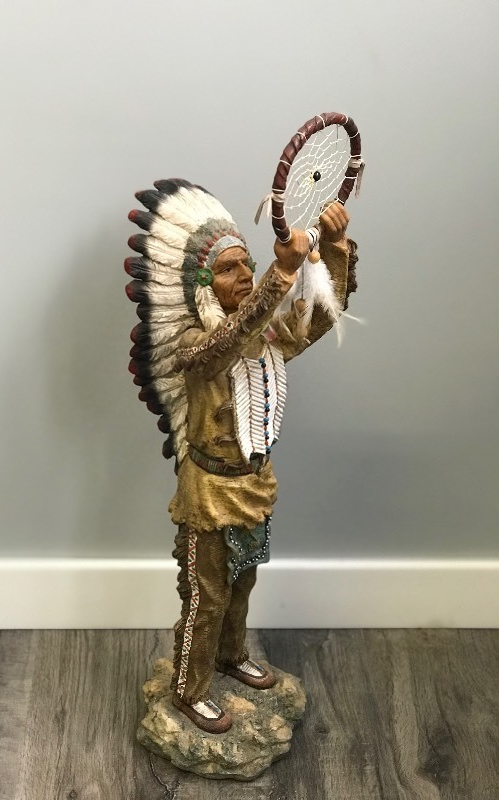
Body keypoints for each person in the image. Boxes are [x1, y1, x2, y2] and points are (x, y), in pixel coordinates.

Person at [126, 180, 357, 734]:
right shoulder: (195, 344)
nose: (245, 275)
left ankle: (231, 655)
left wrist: (333, 251)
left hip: (254, 484)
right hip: (207, 493)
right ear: (203, 282)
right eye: (230, 268)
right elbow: (228, 340)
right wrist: (280, 274)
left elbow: (321, 317)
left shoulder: (268, 334)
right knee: (205, 598)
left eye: (248, 265)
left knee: (242, 583)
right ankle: (189, 688)